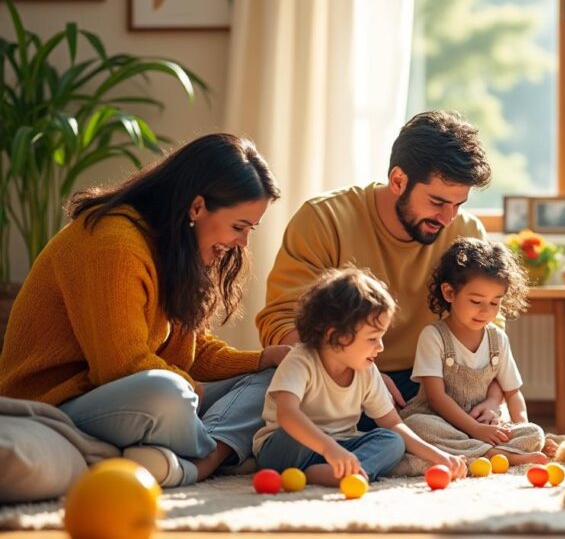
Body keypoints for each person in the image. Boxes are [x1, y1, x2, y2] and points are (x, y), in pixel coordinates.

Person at [0, 134, 294, 487]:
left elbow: (193, 350)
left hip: (123, 401)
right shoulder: (115, 243)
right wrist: (188, 387)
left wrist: (265, 360)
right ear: (197, 207)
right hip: (56, 403)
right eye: (239, 227)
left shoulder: (175, 247)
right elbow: (120, 366)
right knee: (166, 393)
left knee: (278, 378)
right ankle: (217, 452)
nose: (243, 243)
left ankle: (201, 459)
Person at [256, 111, 505, 429]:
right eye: (438, 202)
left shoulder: (467, 233)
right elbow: (282, 323)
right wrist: (362, 374)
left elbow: (491, 332)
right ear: (399, 180)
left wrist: (492, 400)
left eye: (458, 205)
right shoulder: (324, 219)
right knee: (257, 392)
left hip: (435, 386)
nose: (448, 218)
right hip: (339, 377)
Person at [253, 268, 468, 485]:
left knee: (392, 441)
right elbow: (287, 414)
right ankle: (325, 470)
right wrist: (329, 448)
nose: (381, 347)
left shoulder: (367, 370)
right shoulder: (300, 360)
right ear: (335, 334)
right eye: (373, 338)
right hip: (288, 447)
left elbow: (393, 423)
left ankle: (348, 472)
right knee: (292, 435)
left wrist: (438, 456)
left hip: (341, 445)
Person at [398, 238, 550, 470]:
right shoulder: (433, 336)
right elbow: (436, 398)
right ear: (449, 292)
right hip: (440, 420)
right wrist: (475, 429)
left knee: (535, 432)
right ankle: (496, 454)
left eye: (495, 302)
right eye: (476, 301)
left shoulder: (498, 339)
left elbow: (513, 392)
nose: (486, 311)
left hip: (485, 425)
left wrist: (519, 426)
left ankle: (478, 453)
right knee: (415, 425)